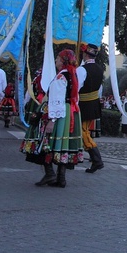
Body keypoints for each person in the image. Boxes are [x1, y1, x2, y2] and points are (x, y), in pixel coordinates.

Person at [21, 49, 83, 188]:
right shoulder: (73, 75)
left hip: (58, 112)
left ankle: (50, 173)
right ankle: (61, 178)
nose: (55, 61)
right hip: (69, 112)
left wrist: (52, 120)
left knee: (45, 142)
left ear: (62, 61)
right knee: (61, 145)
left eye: (57, 58)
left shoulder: (61, 77)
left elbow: (57, 100)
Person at [76, 43, 105, 173]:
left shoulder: (82, 69)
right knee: (84, 131)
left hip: (83, 103)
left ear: (85, 54)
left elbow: (77, 88)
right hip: (93, 103)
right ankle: (94, 160)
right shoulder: (99, 69)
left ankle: (97, 159)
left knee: (83, 132)